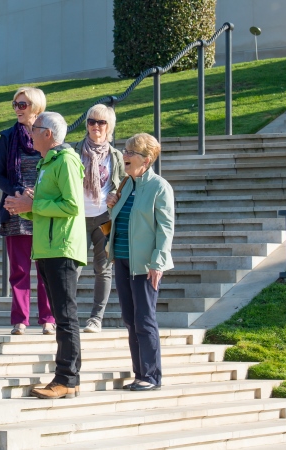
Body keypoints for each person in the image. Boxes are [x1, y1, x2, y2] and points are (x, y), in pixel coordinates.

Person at [5, 112, 86, 399]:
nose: (30, 133)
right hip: (48, 247)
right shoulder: (48, 161)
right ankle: (67, 378)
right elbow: (47, 205)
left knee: (65, 316)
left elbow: (73, 205)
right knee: (64, 315)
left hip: (61, 248)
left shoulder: (65, 160)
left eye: (35, 129)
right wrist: (23, 205)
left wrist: (33, 202)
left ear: (48, 134)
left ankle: (66, 378)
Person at [107, 132, 174, 392]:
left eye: (130, 152)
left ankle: (152, 376)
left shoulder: (159, 187)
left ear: (146, 160)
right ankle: (139, 374)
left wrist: (158, 262)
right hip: (122, 259)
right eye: (125, 151)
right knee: (129, 318)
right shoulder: (126, 185)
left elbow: (165, 229)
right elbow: (121, 221)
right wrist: (112, 204)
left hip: (146, 264)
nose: (124, 156)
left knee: (144, 319)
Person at [0, 87, 55, 336]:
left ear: (36, 107)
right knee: (19, 270)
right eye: (15, 105)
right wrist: (18, 191)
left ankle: (48, 319)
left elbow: (57, 168)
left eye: (23, 105)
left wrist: (39, 195)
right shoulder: (8, 137)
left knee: (46, 270)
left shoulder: (50, 135)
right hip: (16, 209)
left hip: (43, 210)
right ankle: (20, 319)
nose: (18, 109)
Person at [74, 104, 126, 334]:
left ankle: (96, 318)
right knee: (71, 268)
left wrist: (117, 194)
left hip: (104, 218)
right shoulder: (75, 151)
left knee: (103, 269)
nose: (95, 126)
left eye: (101, 122)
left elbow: (124, 184)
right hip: (77, 217)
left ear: (109, 127)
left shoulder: (115, 156)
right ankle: (66, 316)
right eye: (91, 121)